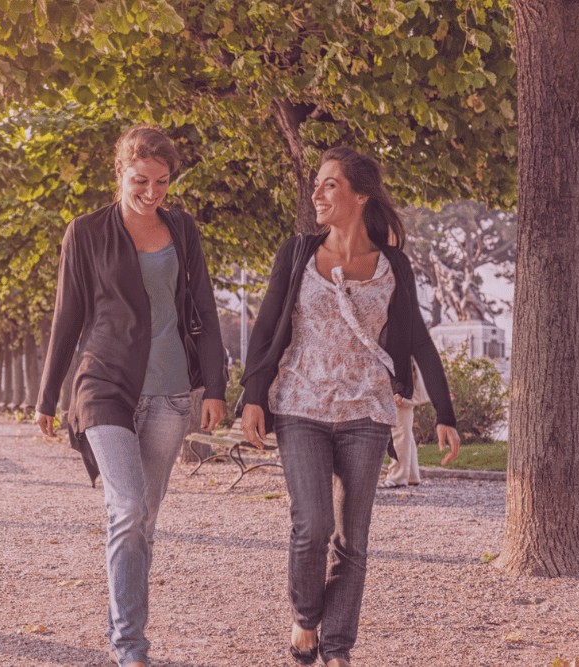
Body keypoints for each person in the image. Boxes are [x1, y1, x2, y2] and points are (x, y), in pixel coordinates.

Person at [238, 146, 460, 667]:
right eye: (316, 184)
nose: (317, 193)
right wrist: (252, 397)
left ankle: (337, 648)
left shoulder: (392, 265)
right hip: (300, 403)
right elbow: (267, 327)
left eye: (329, 184)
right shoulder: (296, 253)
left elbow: (420, 341)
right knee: (311, 526)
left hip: (366, 409)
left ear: (360, 196)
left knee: (351, 539)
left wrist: (444, 414)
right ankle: (306, 618)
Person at [35, 125, 227, 667]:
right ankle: (130, 649)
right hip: (104, 386)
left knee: (144, 521)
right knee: (127, 506)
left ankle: (125, 625)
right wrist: (47, 398)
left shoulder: (183, 229)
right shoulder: (86, 232)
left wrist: (214, 386)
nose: (152, 191)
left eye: (162, 181)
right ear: (120, 173)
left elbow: (205, 311)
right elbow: (66, 317)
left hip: (170, 392)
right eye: (140, 180)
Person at [380, 359, 430, 488]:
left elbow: (402, 363)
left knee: (398, 432)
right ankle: (412, 476)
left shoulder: (398, 338)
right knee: (404, 431)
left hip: (400, 389)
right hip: (404, 387)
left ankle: (397, 477)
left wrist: (398, 390)